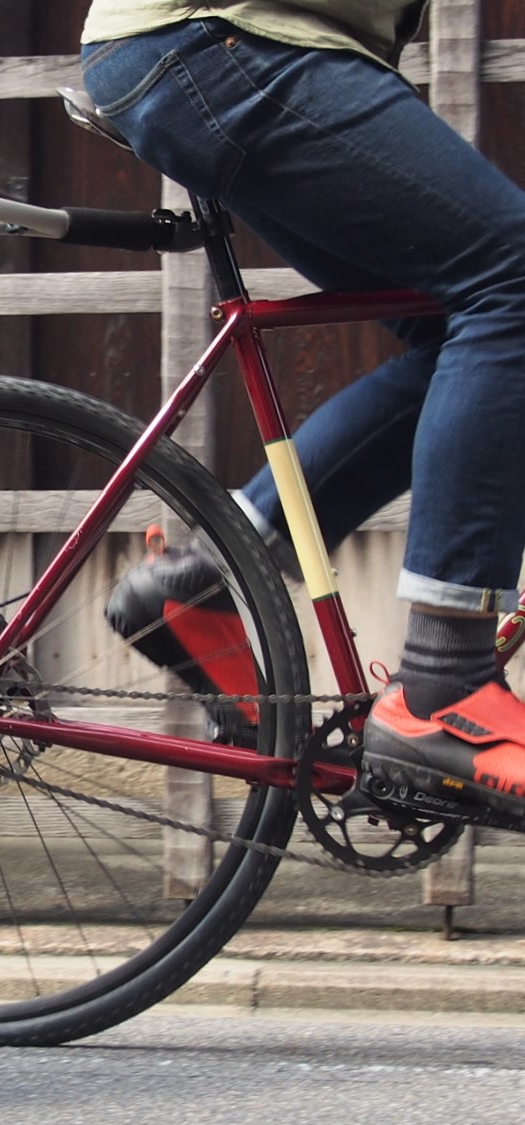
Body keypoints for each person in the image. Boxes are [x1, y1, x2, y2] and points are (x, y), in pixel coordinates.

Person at [80, 1, 525, 816]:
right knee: (514, 284)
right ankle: (445, 685)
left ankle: (202, 579)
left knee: (461, 335)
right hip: (229, 38)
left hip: (219, 45)